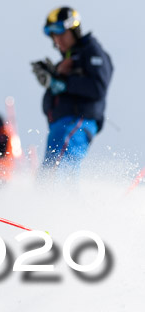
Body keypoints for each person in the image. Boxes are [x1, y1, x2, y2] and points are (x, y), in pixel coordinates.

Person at [31, 7, 113, 183]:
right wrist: (53, 77)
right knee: (54, 170)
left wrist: (64, 83)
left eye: (61, 32)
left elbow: (98, 87)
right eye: (53, 35)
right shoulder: (69, 58)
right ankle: (62, 208)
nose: (58, 39)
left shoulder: (91, 51)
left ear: (74, 30)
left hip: (78, 121)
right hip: (60, 125)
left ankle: (48, 206)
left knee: (55, 171)